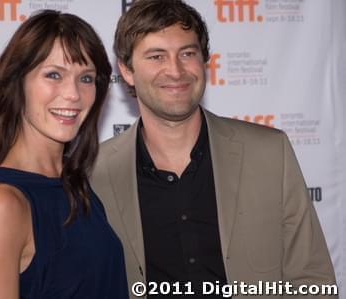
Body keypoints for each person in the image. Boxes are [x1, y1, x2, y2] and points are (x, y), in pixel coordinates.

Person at [90, 0, 337, 298]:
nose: (176, 70)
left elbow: (312, 279)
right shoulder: (94, 172)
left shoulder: (270, 153)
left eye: (187, 53)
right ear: (127, 71)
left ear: (204, 61)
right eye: (156, 56)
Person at [0, 10, 128, 299]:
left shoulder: (75, 184)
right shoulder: (1, 204)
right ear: (17, 82)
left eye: (86, 78)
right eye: (54, 74)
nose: (73, 94)